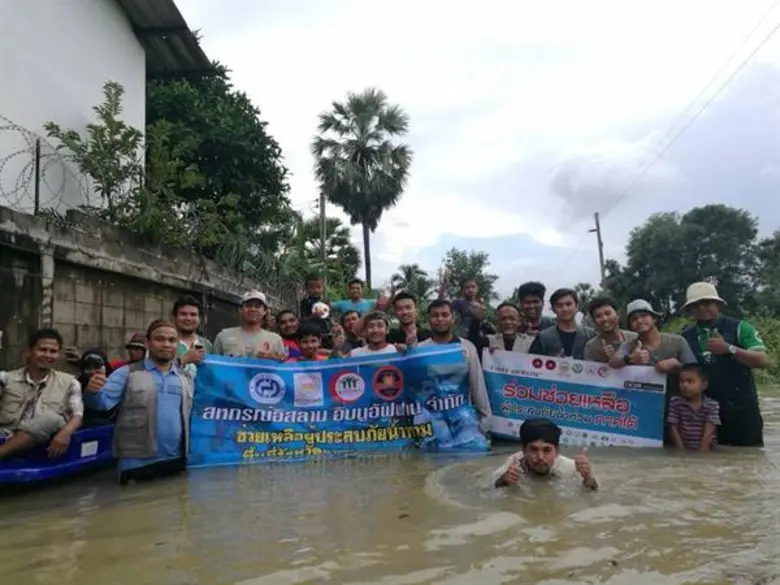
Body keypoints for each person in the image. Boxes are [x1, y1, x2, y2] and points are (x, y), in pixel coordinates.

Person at [84, 319, 202, 484]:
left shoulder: (186, 377)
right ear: (147, 343)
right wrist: (92, 391)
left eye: (172, 340)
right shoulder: (126, 373)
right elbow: (100, 404)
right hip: (136, 462)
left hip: (176, 460)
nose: (166, 344)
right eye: (160, 339)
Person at [680, 282, 768, 447]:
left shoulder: (741, 328)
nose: (701, 308)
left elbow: (762, 360)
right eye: (695, 305)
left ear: (718, 305)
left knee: (749, 461)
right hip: (704, 416)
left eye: (707, 303)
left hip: (742, 411)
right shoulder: (685, 337)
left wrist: (730, 349)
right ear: (690, 310)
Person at [0, 328, 84, 461]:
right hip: (3, 434)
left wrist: (65, 433)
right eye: (42, 350)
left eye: (53, 351)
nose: (48, 355)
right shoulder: (6, 378)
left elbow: (77, 415)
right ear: (29, 351)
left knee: (51, 419)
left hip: (38, 440)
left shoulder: (70, 383)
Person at [419, 299, 492, 433]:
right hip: (431, 425)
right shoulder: (420, 349)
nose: (440, 319)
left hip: (463, 423)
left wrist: (485, 421)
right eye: (435, 315)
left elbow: (477, 385)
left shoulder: (467, 347)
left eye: (445, 315)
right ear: (428, 320)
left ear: (453, 318)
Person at [493, 418, 598, 490]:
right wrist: (503, 481)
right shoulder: (512, 465)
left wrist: (588, 477)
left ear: (557, 450)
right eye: (533, 450)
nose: (540, 457)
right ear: (523, 450)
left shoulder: (569, 467)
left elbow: (594, 495)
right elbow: (487, 491)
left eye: (547, 450)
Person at [213, 290, 285, 359]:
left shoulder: (275, 340)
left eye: (257, 306)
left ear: (264, 311)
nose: (253, 309)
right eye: (248, 305)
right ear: (240, 310)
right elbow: (213, 367)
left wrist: (275, 360)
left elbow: (281, 368)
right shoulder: (223, 336)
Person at [667, 363, 720, 452]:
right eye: (682, 381)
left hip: (708, 449)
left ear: (704, 385)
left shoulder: (712, 405)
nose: (685, 385)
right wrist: (681, 450)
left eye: (690, 381)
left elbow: (709, 433)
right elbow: (673, 427)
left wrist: (702, 453)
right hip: (683, 447)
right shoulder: (676, 402)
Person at [529, 288, 594, 359]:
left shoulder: (590, 335)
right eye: (559, 305)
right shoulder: (542, 338)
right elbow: (532, 364)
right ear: (553, 309)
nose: (565, 309)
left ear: (577, 306)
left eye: (568, 304)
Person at [468, 301, 533, 361]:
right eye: (503, 319)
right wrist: (477, 320)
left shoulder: (530, 342)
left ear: (519, 321)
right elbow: (472, 342)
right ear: (498, 322)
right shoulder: (489, 341)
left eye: (512, 318)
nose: (507, 322)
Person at [583, 296, 637, 363]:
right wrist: (603, 358)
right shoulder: (591, 347)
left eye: (607, 313)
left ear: (617, 314)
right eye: (598, 316)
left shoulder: (634, 338)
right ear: (594, 321)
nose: (604, 319)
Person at [171, 296, 212, 377]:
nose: (188, 318)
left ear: (199, 319)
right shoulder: (166, 342)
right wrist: (184, 360)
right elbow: (156, 371)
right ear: (174, 317)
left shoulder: (206, 344)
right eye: (183, 314)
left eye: (193, 315)